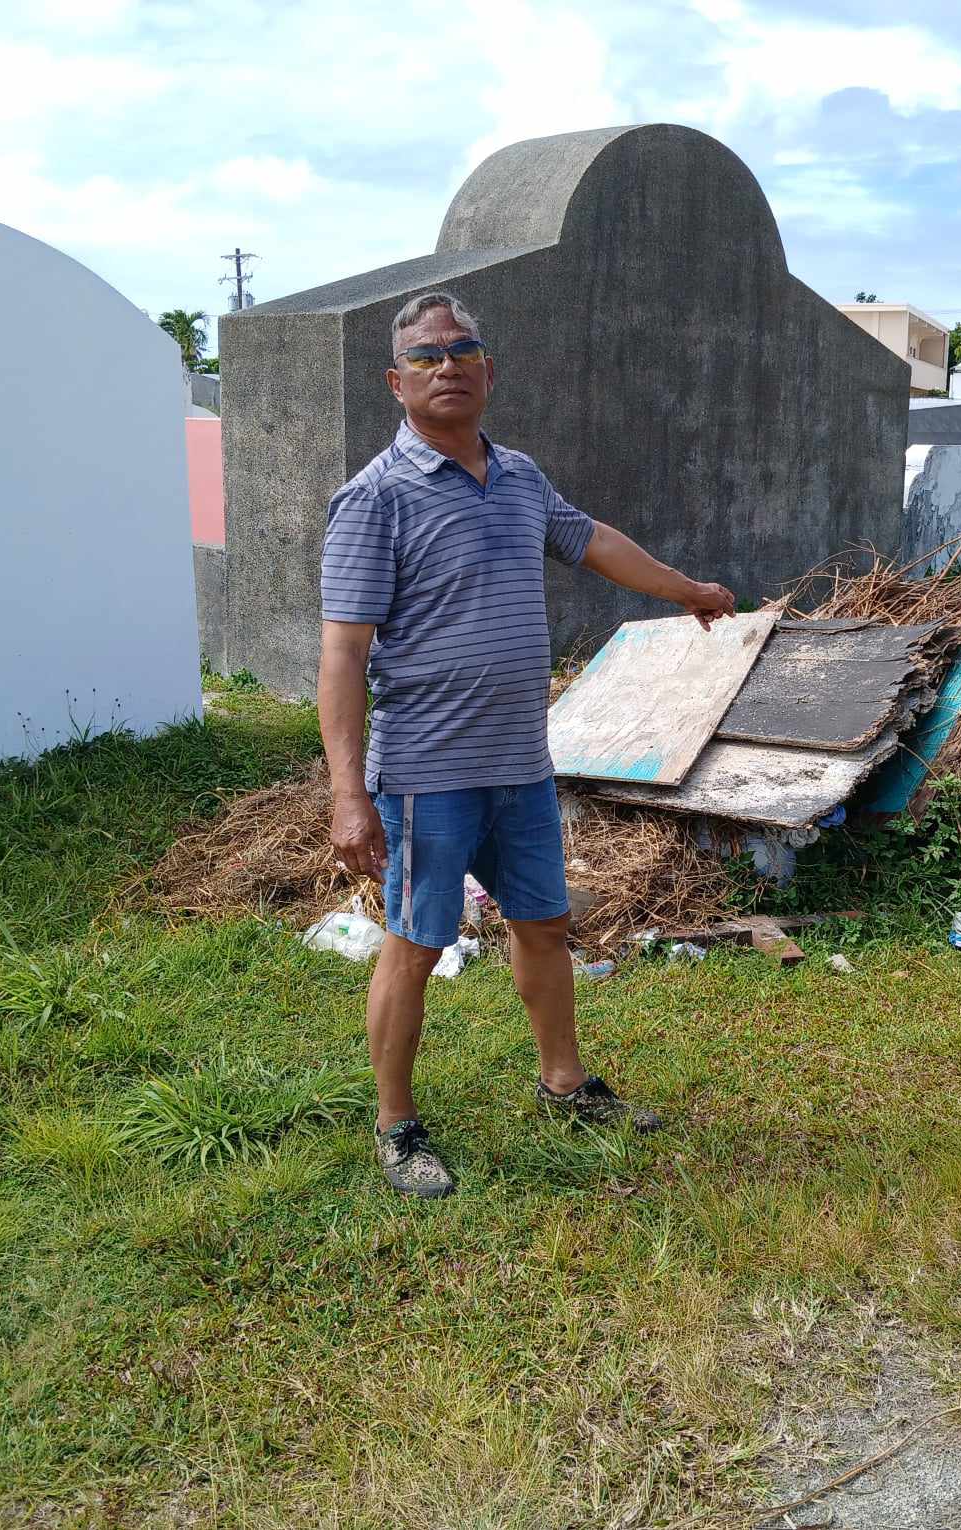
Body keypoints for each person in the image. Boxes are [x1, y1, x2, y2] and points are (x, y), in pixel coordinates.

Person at [319, 290, 735, 1199]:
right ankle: (395, 1124)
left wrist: (687, 589)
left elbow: (592, 541)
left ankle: (565, 1083)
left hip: (520, 764)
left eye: (463, 349)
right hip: (429, 773)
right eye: (426, 356)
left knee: (544, 925)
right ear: (397, 382)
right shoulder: (374, 501)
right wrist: (349, 794)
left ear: (490, 370)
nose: (448, 365)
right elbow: (343, 655)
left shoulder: (518, 477)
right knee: (416, 942)